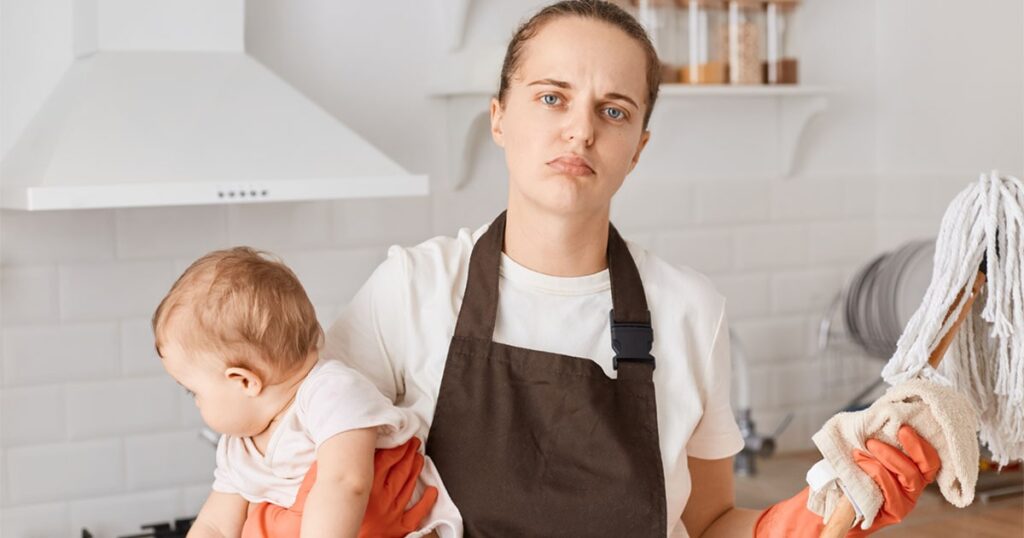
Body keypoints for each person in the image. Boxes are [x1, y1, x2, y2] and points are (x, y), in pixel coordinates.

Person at [322, 1, 944, 537]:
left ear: (638, 147)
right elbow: (278, 459)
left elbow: (708, 523)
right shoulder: (411, 290)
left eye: (613, 111)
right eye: (551, 98)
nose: (580, 131)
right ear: (499, 118)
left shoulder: (689, 310)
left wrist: (812, 516)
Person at [152, 247, 459, 537]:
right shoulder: (239, 449)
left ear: (244, 381)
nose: (196, 403)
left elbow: (344, 482)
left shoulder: (330, 393)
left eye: (193, 392)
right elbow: (215, 526)